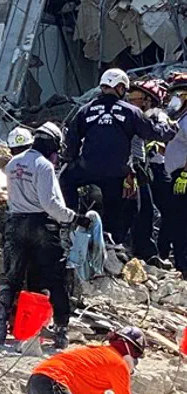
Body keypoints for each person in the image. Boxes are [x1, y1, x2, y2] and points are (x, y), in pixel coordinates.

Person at [0, 122, 91, 348]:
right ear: (52, 144)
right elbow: (50, 204)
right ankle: (60, 332)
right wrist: (74, 218)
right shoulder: (44, 165)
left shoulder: (12, 164)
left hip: (15, 224)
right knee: (55, 278)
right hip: (42, 226)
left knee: (11, 276)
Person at [61, 68, 178, 245]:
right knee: (115, 210)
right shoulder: (131, 112)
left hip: (88, 168)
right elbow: (153, 132)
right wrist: (171, 129)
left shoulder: (86, 110)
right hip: (117, 173)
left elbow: (72, 140)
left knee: (65, 178)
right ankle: (112, 244)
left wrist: (71, 159)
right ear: (121, 88)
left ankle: (70, 220)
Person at [27, 326, 145, 394]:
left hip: (35, 382)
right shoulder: (119, 364)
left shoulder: (101, 360)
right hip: (53, 383)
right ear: (130, 353)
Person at [125, 80, 173, 268]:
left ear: (148, 100)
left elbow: (164, 132)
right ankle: (141, 251)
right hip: (131, 167)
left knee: (148, 210)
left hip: (152, 168)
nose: (131, 101)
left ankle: (153, 252)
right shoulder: (131, 115)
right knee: (139, 210)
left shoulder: (155, 116)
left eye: (135, 98)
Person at [163, 73, 187, 273]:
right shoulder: (181, 118)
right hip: (176, 174)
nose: (174, 98)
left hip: (183, 176)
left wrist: (185, 175)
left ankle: (183, 264)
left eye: (178, 93)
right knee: (175, 218)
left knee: (181, 221)